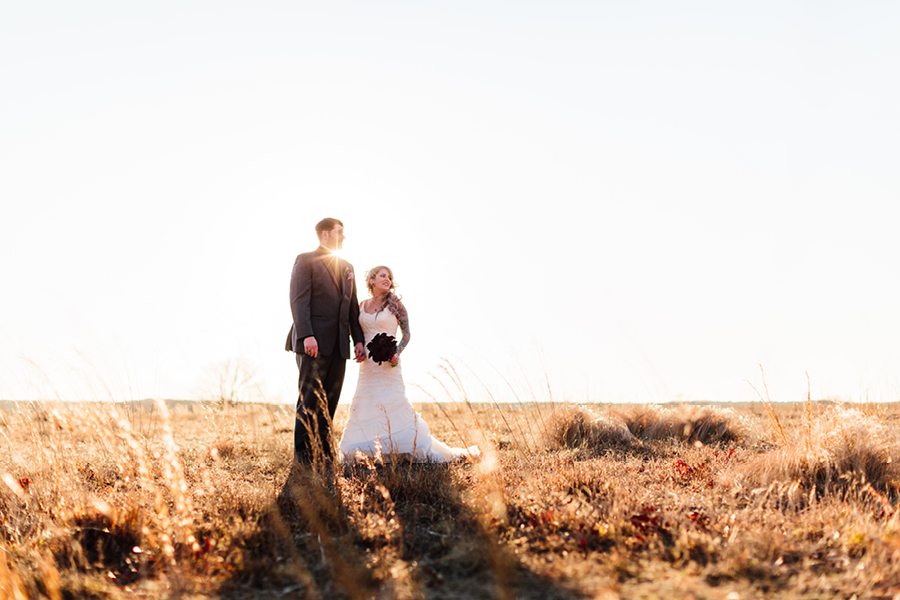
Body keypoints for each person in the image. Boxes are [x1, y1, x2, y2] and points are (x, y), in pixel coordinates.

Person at [339, 266, 479, 462]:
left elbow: (406, 334)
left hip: (389, 365)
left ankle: (402, 447)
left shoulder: (395, 305)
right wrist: (359, 347)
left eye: (389, 277)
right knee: (366, 403)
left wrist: (396, 352)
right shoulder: (362, 305)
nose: (387, 279)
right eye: (382, 276)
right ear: (371, 280)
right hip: (368, 366)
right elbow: (358, 332)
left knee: (393, 402)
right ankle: (369, 449)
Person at [286, 218, 365, 464]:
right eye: (339, 232)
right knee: (310, 399)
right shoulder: (305, 260)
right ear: (324, 235)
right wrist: (307, 334)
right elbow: (298, 300)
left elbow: (352, 308)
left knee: (330, 400)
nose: (343, 237)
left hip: (340, 344)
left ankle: (323, 454)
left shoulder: (347, 266)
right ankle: (303, 458)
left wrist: (358, 340)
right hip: (313, 343)